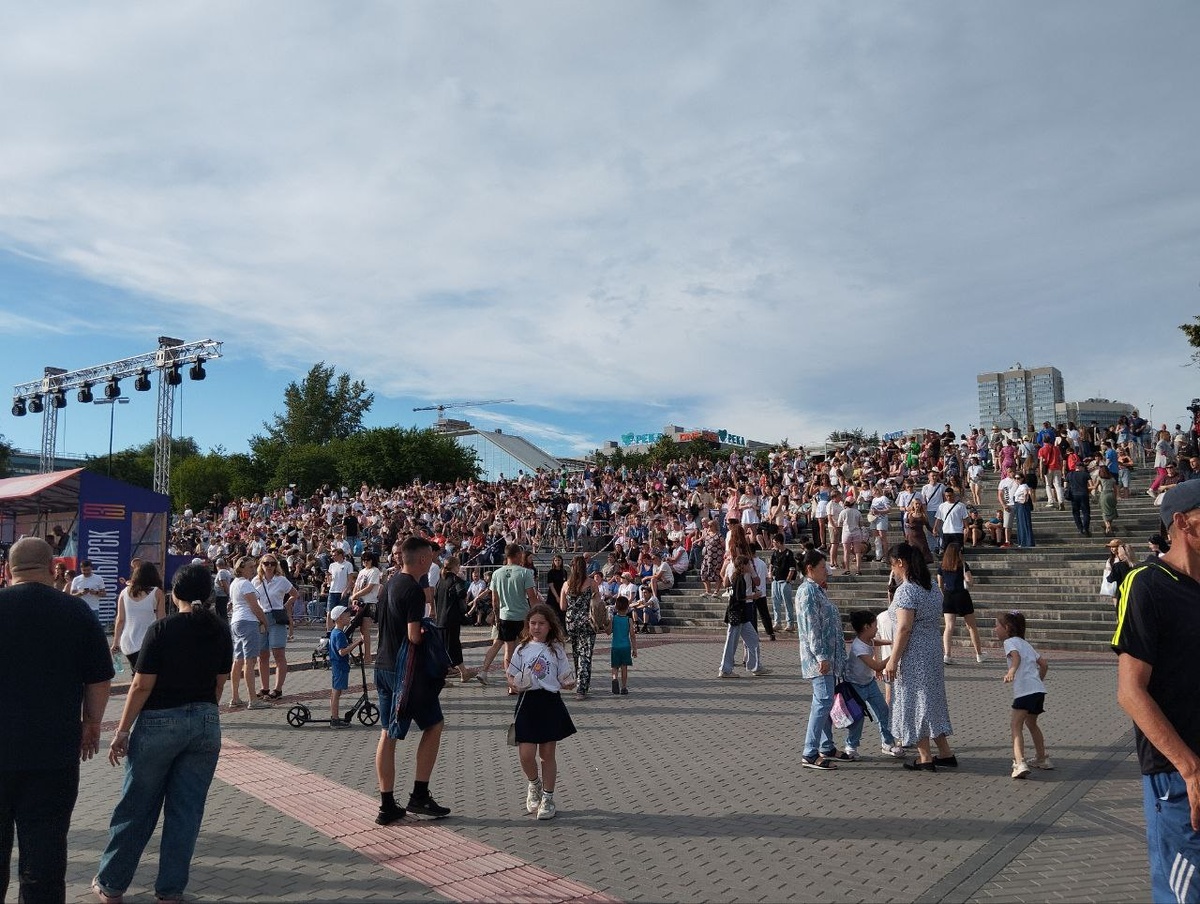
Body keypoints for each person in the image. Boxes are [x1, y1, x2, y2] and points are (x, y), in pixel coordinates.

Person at [92, 563, 233, 904]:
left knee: (136, 808)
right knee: (186, 813)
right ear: (210, 595)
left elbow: (141, 686)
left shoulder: (161, 630)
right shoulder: (220, 631)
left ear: (174, 595)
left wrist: (122, 731)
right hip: (204, 723)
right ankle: (170, 891)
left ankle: (112, 885)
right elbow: (219, 684)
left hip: (158, 722)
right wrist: (201, 712)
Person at [0, 538, 112, 904]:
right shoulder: (77, 612)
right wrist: (91, 724)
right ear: (53, 570)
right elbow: (98, 678)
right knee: (45, 856)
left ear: (6, 571)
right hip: (54, 753)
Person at [1113, 481, 1200, 902]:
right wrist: (1190, 768)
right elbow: (1130, 692)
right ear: (1183, 523)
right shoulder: (1147, 583)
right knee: (1185, 893)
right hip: (1179, 777)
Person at [374, 537, 451, 826]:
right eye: (430, 554)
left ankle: (386, 803)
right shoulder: (414, 590)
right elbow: (414, 635)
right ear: (421, 559)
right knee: (434, 725)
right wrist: (429, 631)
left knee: (387, 733)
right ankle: (419, 794)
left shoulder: (390, 583)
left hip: (383, 664)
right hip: (405, 671)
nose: (432, 558)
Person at [883, 542, 957, 772]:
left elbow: (904, 628)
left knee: (915, 701)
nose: (892, 570)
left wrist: (893, 659)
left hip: (914, 652)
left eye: (892, 566)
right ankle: (945, 752)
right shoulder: (932, 587)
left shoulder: (907, 590)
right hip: (932, 649)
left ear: (900, 563)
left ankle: (925, 756)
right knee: (931, 699)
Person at [507, 604, 577, 820]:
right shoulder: (521, 649)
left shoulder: (556, 649)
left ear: (549, 626)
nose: (536, 627)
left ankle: (548, 797)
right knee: (526, 755)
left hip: (549, 703)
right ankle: (533, 784)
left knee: (547, 755)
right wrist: (514, 684)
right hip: (528, 701)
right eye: (533, 623)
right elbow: (510, 674)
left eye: (541, 623)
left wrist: (569, 683)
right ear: (528, 625)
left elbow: (566, 677)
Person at [796, 548, 846, 769]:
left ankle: (827, 746)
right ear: (810, 569)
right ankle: (809, 752)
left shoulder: (817, 590)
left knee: (825, 702)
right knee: (823, 702)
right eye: (823, 567)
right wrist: (822, 655)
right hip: (819, 659)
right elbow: (811, 629)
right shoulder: (807, 592)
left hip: (827, 658)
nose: (826, 571)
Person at [995, 610, 1052, 779]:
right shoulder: (1025, 643)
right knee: (1031, 724)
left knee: (1015, 725)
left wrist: (1011, 671)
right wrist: (1038, 681)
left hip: (1025, 692)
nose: (995, 629)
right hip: (1038, 691)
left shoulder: (1010, 642)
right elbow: (1044, 664)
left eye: (997, 626)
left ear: (1007, 628)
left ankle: (1019, 763)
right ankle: (1042, 758)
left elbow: (1016, 657)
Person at [844, 610, 905, 760]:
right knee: (858, 718)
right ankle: (851, 746)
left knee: (883, 711)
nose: (877, 628)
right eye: (875, 626)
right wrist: (894, 654)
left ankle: (888, 743)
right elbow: (877, 666)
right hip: (854, 686)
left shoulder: (867, 639)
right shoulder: (858, 648)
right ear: (866, 627)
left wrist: (892, 642)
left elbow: (875, 642)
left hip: (869, 683)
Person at [227, 556, 270, 710]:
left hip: (236, 621)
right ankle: (253, 699)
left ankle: (235, 697)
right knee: (249, 661)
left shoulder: (234, 584)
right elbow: (255, 607)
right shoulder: (245, 583)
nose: (253, 569)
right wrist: (265, 622)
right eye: (250, 567)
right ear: (241, 568)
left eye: (254, 566)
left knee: (238, 660)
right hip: (248, 621)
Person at [433, 556, 483, 685]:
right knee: (453, 647)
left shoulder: (441, 580)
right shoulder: (455, 580)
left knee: (447, 647)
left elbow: (435, 597)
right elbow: (461, 594)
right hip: (451, 619)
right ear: (456, 566)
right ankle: (451, 675)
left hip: (441, 619)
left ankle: (463, 672)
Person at [252, 554, 297, 700]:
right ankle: (264, 688)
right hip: (261, 617)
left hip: (276, 617)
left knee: (278, 654)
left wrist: (284, 606)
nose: (269, 566)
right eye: (266, 563)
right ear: (261, 565)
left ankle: (278, 689)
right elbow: (252, 600)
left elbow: (295, 594)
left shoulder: (281, 580)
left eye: (272, 563)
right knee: (262, 654)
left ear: (276, 565)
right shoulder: (256, 581)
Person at [562, 556, 604, 700]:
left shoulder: (566, 584)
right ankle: (582, 687)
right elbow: (598, 603)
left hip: (571, 622)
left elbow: (562, 606)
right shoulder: (591, 583)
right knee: (586, 654)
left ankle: (580, 680)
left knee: (576, 652)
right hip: (587, 621)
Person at [111, 562, 166, 671]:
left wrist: (115, 642)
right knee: (147, 677)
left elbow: (120, 619)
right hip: (148, 642)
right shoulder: (157, 593)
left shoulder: (123, 593)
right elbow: (161, 620)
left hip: (127, 642)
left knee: (135, 672)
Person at [937, 543, 983, 665]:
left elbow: (940, 584)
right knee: (971, 626)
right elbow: (970, 581)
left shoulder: (942, 566)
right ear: (958, 553)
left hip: (948, 596)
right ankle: (979, 654)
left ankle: (947, 654)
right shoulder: (962, 565)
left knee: (949, 626)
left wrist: (944, 593)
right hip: (962, 596)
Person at [717, 555, 762, 678]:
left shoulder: (740, 577)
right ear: (742, 566)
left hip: (742, 615)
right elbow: (738, 597)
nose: (750, 566)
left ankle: (755, 666)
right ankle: (725, 669)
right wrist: (753, 596)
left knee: (753, 639)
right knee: (731, 642)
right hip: (736, 613)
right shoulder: (738, 578)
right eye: (747, 564)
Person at [327, 605, 363, 728]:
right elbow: (342, 652)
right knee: (336, 693)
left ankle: (334, 716)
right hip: (340, 665)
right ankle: (335, 719)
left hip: (337, 665)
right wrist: (357, 643)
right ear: (340, 618)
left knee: (335, 692)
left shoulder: (334, 632)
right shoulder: (339, 634)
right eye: (347, 616)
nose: (350, 618)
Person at [349, 550, 382, 662]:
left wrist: (356, 595)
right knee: (362, 629)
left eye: (367, 560)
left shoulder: (375, 571)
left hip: (370, 602)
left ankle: (367, 655)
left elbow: (369, 587)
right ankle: (364, 653)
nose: (365, 562)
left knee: (365, 628)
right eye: (363, 560)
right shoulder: (362, 571)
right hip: (361, 602)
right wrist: (354, 597)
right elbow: (357, 585)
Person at [768, 534, 797, 632]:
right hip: (775, 580)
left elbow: (792, 568)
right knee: (775, 602)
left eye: (775, 542)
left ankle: (790, 623)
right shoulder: (775, 553)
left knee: (787, 602)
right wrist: (770, 573)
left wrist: (788, 579)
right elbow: (771, 564)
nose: (773, 544)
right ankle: (777, 622)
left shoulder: (789, 553)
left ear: (779, 542)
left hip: (784, 581)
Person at [610, 596, 637, 694]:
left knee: (614, 666)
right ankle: (624, 687)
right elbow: (632, 635)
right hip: (625, 646)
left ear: (616, 607)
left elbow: (609, 631)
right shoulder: (628, 620)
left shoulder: (613, 619)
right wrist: (635, 649)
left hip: (615, 646)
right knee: (624, 667)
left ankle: (614, 678)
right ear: (627, 608)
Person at [324, 547, 354, 631]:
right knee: (329, 612)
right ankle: (329, 632)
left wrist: (346, 590)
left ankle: (341, 631)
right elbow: (329, 577)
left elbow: (350, 579)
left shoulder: (348, 565)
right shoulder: (332, 565)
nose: (333, 557)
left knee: (342, 613)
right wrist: (328, 580)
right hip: (333, 591)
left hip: (343, 592)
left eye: (335, 555)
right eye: (332, 555)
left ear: (341, 555)